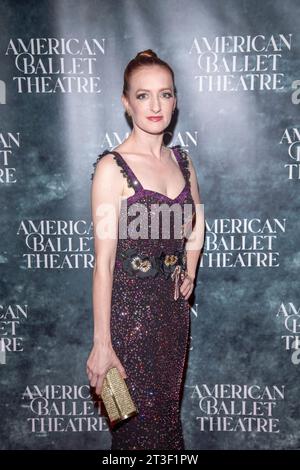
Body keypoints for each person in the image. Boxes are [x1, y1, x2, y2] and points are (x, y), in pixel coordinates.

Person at [86, 49, 204, 450]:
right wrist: (103, 343)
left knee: (168, 422)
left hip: (173, 319)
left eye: (165, 94)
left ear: (175, 99)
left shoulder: (183, 161)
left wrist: (188, 269)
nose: (156, 105)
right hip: (126, 322)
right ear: (125, 101)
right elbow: (103, 264)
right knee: (134, 431)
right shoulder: (111, 168)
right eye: (143, 95)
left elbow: (195, 227)